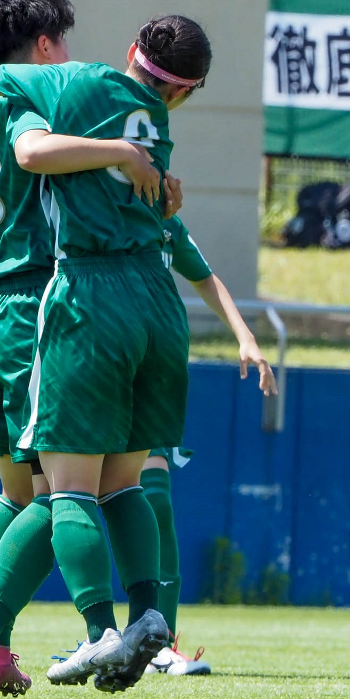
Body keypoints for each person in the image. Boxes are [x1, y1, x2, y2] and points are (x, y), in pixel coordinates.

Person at [0, 15, 210, 695]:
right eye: (65, 40)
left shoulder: (33, 95)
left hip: (18, 301)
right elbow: (34, 154)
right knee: (74, 489)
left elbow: (6, 117)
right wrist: (128, 158)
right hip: (63, 303)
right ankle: (92, 626)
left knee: (37, 494)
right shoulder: (57, 102)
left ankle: (3, 630)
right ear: (44, 48)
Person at [144, 214, 277, 675]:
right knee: (45, 505)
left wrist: (246, 337)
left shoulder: (162, 217)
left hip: (153, 366)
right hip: (90, 354)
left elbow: (203, 275)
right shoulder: (84, 202)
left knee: (155, 501)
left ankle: (157, 643)